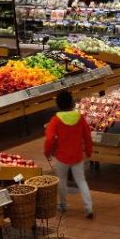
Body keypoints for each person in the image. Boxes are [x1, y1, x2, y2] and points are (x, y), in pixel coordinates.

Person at [44, 90, 94, 219]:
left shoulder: (55, 120)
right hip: (77, 155)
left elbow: (49, 139)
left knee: (62, 181)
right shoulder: (80, 118)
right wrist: (88, 151)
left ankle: (63, 204)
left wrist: (47, 152)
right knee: (81, 181)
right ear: (72, 103)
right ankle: (88, 208)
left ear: (58, 105)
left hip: (62, 156)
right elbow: (87, 136)